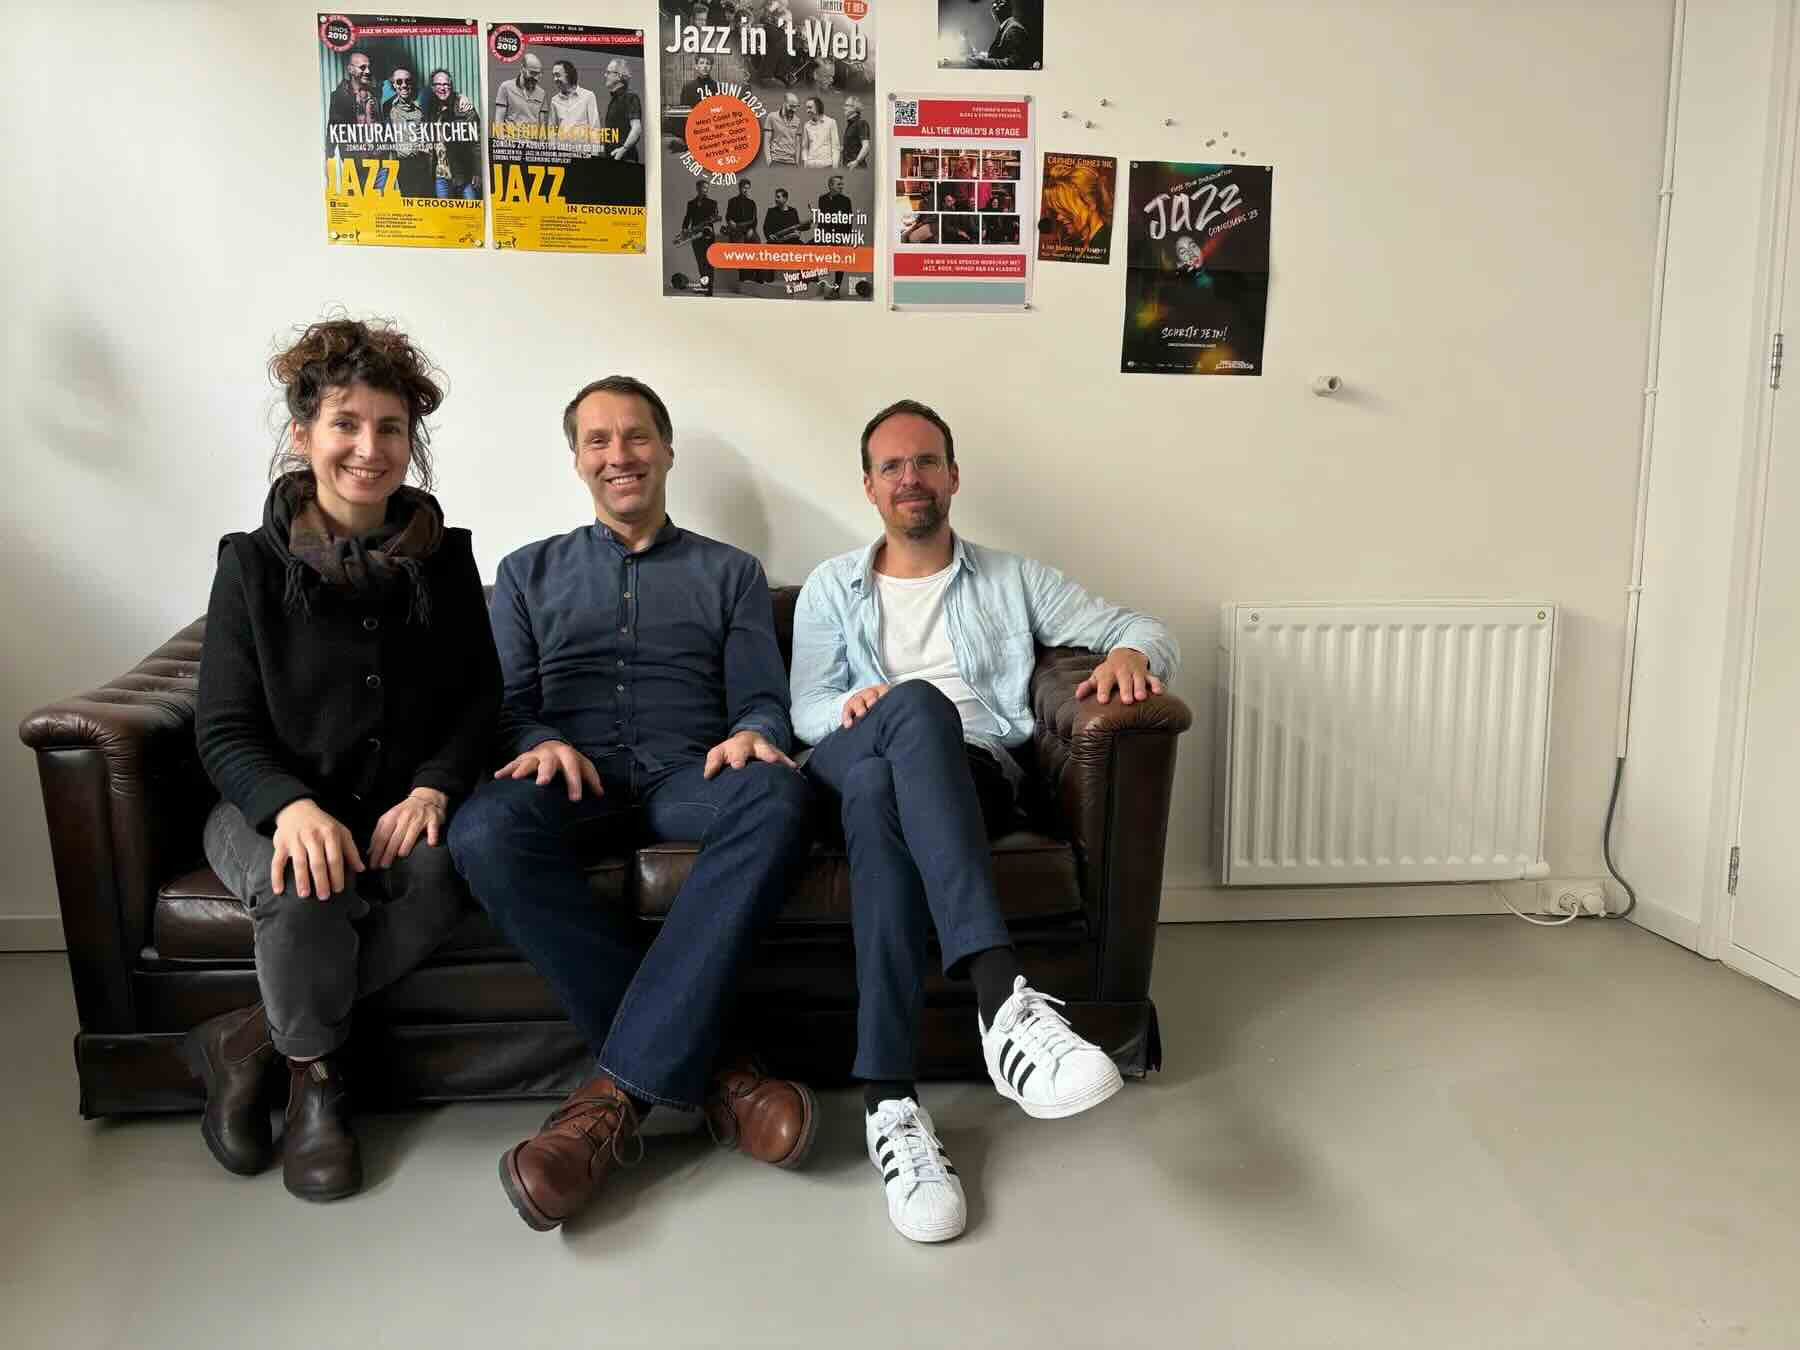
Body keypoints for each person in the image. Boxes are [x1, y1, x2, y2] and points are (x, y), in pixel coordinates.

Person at [789, 399, 1178, 1244]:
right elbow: (806, 709)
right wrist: (855, 707)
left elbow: (1140, 626)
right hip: (852, 751)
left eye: (926, 461)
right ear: (869, 487)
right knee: (903, 719)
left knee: (884, 788)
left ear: (953, 476)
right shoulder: (829, 587)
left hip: (970, 770)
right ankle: (1001, 997)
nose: (910, 478)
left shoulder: (1012, 579)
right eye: (892, 466)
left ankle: (889, 1102)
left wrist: (1128, 654)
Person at [448, 376, 818, 1233]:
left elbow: (763, 698)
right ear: (577, 460)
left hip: (692, 774)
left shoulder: (732, 572)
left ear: (667, 449)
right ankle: (724, 1073)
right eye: (599, 441)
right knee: (484, 829)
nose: (620, 455)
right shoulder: (525, 572)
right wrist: (536, 738)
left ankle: (610, 1101)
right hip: (570, 780)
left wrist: (755, 732)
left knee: (778, 793)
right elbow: (507, 704)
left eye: (638, 436)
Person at [188, 318, 501, 1203]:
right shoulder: (250, 566)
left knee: (445, 876)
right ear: (304, 435)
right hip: (267, 807)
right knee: (305, 886)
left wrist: (435, 788)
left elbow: (479, 701)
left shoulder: (447, 560)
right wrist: (290, 807)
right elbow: (223, 727)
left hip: (397, 805)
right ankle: (317, 1083)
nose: (370, 448)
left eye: (390, 427)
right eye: (346, 424)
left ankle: (244, 1039)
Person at [425, 69, 482, 200]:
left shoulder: (464, 108)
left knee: (471, 209)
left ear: (451, 86)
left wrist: (478, 172)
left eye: (446, 84)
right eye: (438, 84)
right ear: (432, 88)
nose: (442, 88)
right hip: (440, 174)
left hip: (463, 174)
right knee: (445, 211)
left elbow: (478, 142)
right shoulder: (431, 108)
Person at [383, 67, 434, 198]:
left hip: (421, 163)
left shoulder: (422, 105)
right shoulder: (387, 107)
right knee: (407, 201)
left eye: (407, 81)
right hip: (402, 165)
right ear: (394, 84)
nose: (404, 85)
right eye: (399, 82)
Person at [326, 49, 378, 150]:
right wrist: (329, 153)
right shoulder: (339, 96)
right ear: (350, 69)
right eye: (363, 67)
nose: (368, 71)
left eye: (369, 67)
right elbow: (333, 128)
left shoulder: (377, 94)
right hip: (353, 154)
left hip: (376, 153)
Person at [549, 59, 602, 157]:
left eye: (558, 75)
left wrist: (594, 155)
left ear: (569, 75)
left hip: (583, 156)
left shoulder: (588, 96)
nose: (555, 79)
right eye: (553, 76)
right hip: (562, 156)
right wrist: (553, 154)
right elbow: (552, 131)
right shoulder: (554, 100)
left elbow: (594, 127)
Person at [493, 53, 552, 139]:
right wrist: (502, 143)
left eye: (539, 74)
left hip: (532, 144)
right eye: (532, 73)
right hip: (511, 143)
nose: (536, 78)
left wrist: (541, 144)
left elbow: (542, 125)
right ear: (522, 69)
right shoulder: (506, 87)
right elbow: (499, 121)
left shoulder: (542, 93)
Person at [967, 0, 1039, 69]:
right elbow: (1001, 54)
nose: (994, 10)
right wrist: (983, 55)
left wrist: (980, 62)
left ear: (994, 13)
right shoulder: (1007, 27)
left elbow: (1013, 64)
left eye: (995, 8)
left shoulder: (1013, 30)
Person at [815, 173, 854, 297]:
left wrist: (846, 238)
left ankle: (836, 290)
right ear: (830, 186)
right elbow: (822, 218)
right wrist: (820, 233)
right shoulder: (822, 199)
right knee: (812, 254)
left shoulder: (846, 201)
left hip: (839, 236)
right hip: (824, 234)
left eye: (842, 184)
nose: (841, 187)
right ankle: (819, 283)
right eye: (839, 184)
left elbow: (848, 222)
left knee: (839, 263)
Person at [679, 179, 720, 290]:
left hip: (708, 234)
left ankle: (710, 286)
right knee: (700, 261)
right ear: (697, 188)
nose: (705, 190)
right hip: (695, 234)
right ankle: (704, 285)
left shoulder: (713, 203)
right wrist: (684, 229)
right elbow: (687, 217)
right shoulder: (691, 203)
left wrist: (710, 220)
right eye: (703, 187)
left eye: (707, 188)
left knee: (709, 261)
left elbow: (715, 217)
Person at [601, 58, 643, 162]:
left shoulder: (630, 97)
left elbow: (637, 128)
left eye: (608, 72)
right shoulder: (615, 99)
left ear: (619, 76)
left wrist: (623, 149)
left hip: (625, 158)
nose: (605, 75)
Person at [800, 95, 840, 169]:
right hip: (811, 167)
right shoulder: (806, 125)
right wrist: (805, 162)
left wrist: (835, 167)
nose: (807, 111)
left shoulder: (831, 122)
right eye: (807, 108)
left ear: (818, 107)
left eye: (810, 107)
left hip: (826, 167)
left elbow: (835, 147)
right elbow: (804, 147)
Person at [765, 91, 803, 166]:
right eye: (791, 106)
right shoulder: (772, 117)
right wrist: (768, 159)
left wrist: (797, 162)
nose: (794, 109)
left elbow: (798, 143)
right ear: (785, 103)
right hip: (776, 160)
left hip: (791, 162)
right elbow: (766, 141)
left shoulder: (798, 121)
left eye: (796, 106)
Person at [841, 95, 872, 170]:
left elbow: (866, 146)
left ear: (854, 107)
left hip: (856, 168)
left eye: (847, 105)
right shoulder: (850, 125)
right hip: (848, 167)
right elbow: (853, 147)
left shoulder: (861, 123)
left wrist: (856, 161)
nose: (844, 108)